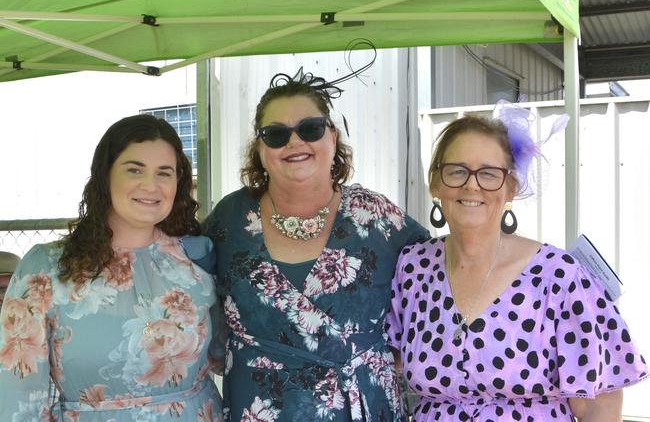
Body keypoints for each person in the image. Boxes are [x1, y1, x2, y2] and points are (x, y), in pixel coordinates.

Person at [386, 111, 648, 421]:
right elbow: (393, 367)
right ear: (435, 183)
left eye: (489, 173)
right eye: (457, 171)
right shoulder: (414, 268)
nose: (472, 186)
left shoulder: (560, 277)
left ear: (511, 187)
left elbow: (597, 406)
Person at [201, 68, 429, 421]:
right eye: (275, 134)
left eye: (310, 129)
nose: (294, 142)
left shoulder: (379, 218)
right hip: (259, 409)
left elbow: (435, 286)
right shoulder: (228, 219)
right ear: (259, 149)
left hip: (361, 407)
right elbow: (187, 291)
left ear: (333, 138)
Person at [0, 115, 224, 421]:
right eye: (134, 170)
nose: (151, 185)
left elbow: (228, 354)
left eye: (164, 173)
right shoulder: (46, 269)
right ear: (105, 176)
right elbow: (17, 393)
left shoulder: (198, 258)